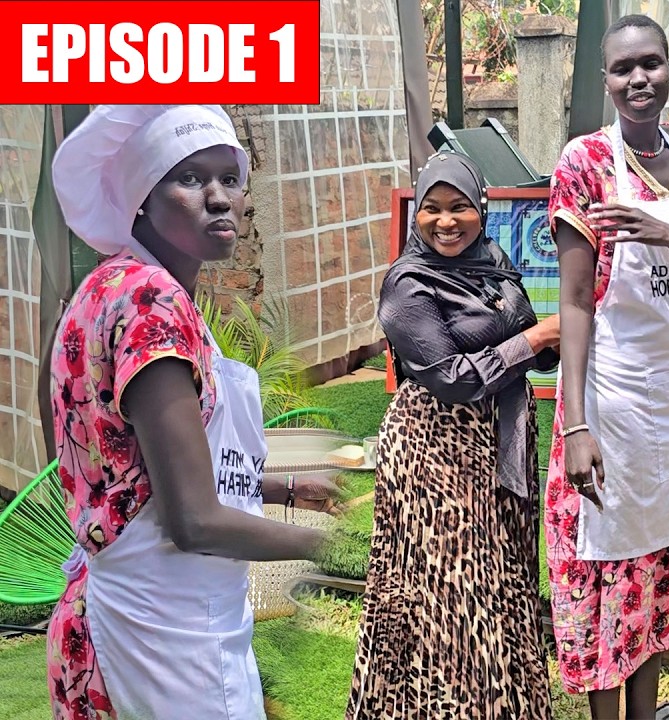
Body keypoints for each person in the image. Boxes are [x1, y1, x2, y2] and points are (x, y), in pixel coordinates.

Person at [45, 105, 341, 720]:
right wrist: (333, 549)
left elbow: (142, 471)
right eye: (189, 179)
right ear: (141, 201)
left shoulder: (109, 286)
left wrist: (283, 487)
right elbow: (193, 521)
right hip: (164, 625)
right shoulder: (151, 301)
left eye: (229, 179)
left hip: (125, 608)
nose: (219, 198)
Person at [544, 13, 669, 720]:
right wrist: (575, 426)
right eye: (624, 68)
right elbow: (575, 305)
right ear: (605, 80)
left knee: (658, 565)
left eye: (651, 63)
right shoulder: (585, 164)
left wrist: (668, 234)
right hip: (614, 393)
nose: (639, 79)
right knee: (606, 563)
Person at [347, 151, 560, 719]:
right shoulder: (408, 284)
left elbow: (527, 341)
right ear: (417, 213)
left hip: (501, 442)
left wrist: (551, 340)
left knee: (502, 579)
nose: (446, 221)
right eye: (432, 208)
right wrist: (536, 341)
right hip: (434, 450)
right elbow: (451, 378)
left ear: (481, 209)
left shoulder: (493, 261)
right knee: (451, 592)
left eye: (460, 206)